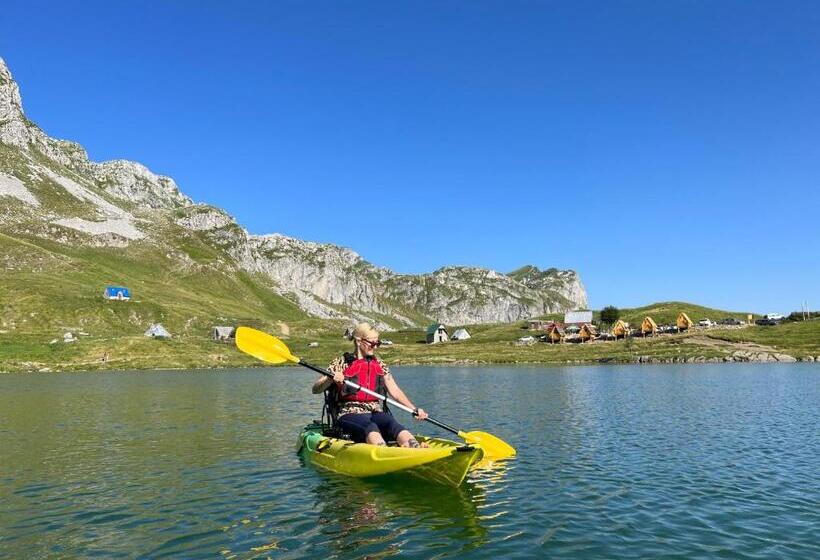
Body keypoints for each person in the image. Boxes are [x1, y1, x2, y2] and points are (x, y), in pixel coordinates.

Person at [312, 322, 429, 447]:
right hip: (349, 413)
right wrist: (330, 379)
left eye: (377, 343)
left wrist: (414, 409)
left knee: (391, 423)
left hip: (374, 411)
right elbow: (316, 389)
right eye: (372, 343)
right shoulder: (341, 362)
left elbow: (395, 391)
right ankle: (383, 451)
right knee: (370, 427)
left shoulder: (379, 364)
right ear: (358, 341)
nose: (375, 347)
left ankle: (414, 446)